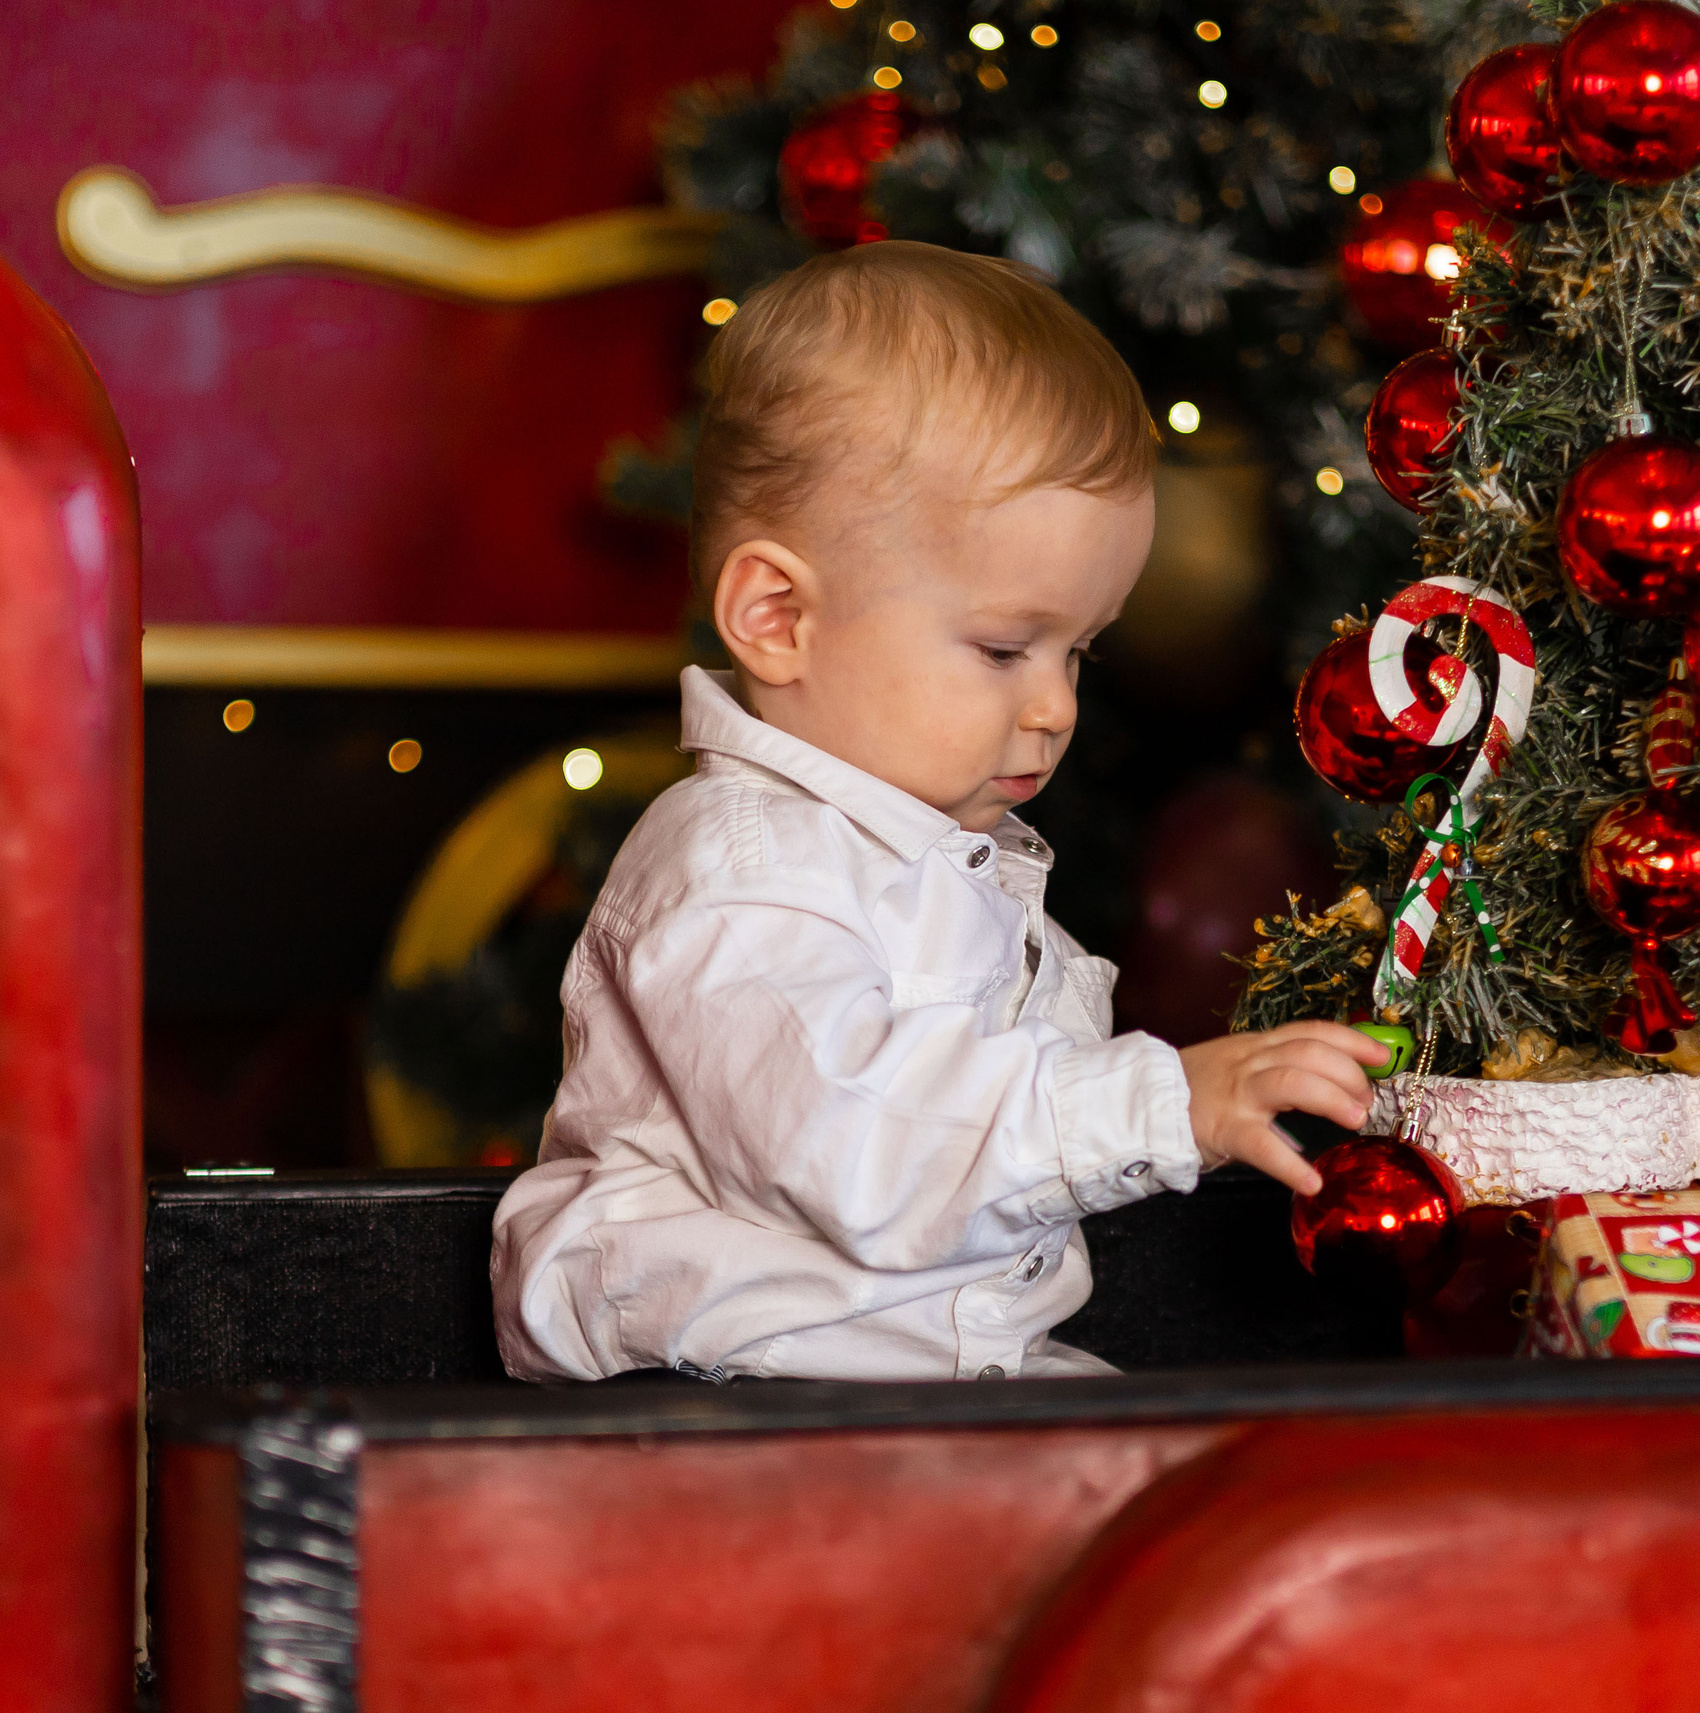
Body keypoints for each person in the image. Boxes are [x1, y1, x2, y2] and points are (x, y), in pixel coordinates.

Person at [491, 244, 1381, 1384]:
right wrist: (1166, 1099)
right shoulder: (741, 873)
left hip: (918, 1382)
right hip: (715, 1404)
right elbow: (867, 1148)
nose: (1056, 705)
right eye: (1005, 647)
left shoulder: (940, 860)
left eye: (1080, 651)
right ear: (776, 615)